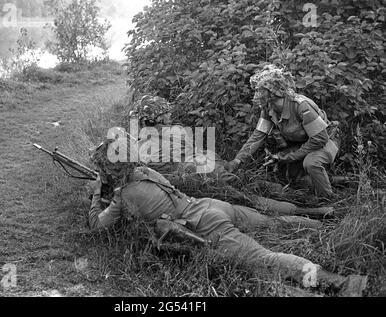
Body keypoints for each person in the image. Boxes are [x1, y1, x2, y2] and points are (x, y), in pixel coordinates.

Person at [87, 138, 367, 296]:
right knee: (271, 222)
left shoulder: (123, 196)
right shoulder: (146, 171)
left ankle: (343, 284)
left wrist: (95, 195)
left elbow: (97, 226)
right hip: (211, 205)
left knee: (264, 259)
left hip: (204, 224)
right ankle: (323, 222)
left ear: (109, 170)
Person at [128, 95, 334, 218]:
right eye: (166, 112)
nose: (169, 114)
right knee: (254, 189)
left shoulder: (140, 146)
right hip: (208, 170)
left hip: (197, 181)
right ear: (160, 116)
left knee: (250, 200)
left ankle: (307, 211)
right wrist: (226, 164)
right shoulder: (178, 131)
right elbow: (195, 153)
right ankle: (311, 204)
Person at [226, 65, 341, 198]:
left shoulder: (301, 106)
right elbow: (258, 136)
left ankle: (328, 201)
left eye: (259, 90)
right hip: (305, 143)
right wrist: (237, 160)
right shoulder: (269, 108)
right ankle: (336, 181)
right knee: (292, 178)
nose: (256, 95)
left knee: (311, 163)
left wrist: (288, 157)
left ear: (272, 91)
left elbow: (320, 139)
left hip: (327, 139)